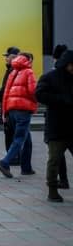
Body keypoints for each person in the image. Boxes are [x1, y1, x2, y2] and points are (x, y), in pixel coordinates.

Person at [35, 49, 73, 201]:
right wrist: (61, 99)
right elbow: (39, 94)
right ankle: (52, 189)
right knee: (54, 160)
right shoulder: (50, 77)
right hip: (56, 126)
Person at [0, 52, 38, 178]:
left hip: (12, 110)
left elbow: (6, 93)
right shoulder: (29, 72)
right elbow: (33, 91)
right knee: (20, 139)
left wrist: (4, 112)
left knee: (27, 140)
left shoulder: (13, 72)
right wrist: (37, 100)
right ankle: (5, 162)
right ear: (28, 60)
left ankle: (26, 168)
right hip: (23, 110)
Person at [0, 46, 22, 163]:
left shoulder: (14, 71)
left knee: (11, 133)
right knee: (10, 133)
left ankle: (13, 157)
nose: (5, 59)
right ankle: (13, 157)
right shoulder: (10, 69)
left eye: (7, 57)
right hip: (8, 106)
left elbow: (7, 89)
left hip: (11, 107)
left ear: (13, 58)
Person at [51, 44, 70, 189]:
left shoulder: (53, 74)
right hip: (59, 122)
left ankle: (61, 180)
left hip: (57, 123)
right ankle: (61, 180)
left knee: (56, 156)